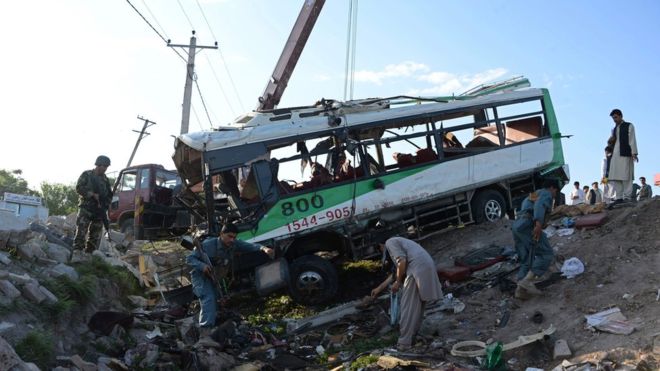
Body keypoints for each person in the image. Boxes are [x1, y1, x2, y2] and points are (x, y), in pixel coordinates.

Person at [186, 223, 274, 339]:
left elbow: (248, 246)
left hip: (215, 277)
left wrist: (263, 248)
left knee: (218, 301)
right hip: (200, 277)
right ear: (221, 234)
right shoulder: (208, 245)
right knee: (209, 298)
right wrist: (202, 266)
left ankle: (212, 327)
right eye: (229, 236)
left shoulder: (233, 244)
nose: (232, 240)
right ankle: (205, 333)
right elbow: (189, 258)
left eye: (234, 237)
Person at [370, 236, 443, 351]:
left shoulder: (389, 242)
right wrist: (379, 289)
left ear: (381, 246)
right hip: (424, 266)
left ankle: (404, 343)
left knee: (407, 307)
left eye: (380, 250)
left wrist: (398, 282)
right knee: (417, 307)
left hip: (416, 270)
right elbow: (395, 273)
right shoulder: (401, 242)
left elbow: (402, 262)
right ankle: (413, 336)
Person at [511, 179, 560, 299]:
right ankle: (527, 281)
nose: (554, 195)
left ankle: (520, 291)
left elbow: (527, 206)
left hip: (517, 226)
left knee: (527, 258)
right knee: (546, 253)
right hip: (528, 225)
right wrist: (538, 224)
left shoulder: (533, 194)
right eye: (556, 191)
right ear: (552, 188)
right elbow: (539, 205)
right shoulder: (546, 193)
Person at [73, 155, 112, 253]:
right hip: (86, 209)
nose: (106, 168)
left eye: (107, 166)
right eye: (104, 166)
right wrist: (92, 194)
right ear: (98, 165)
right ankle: (77, 254)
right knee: (81, 233)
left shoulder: (105, 180)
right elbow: (78, 188)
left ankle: (90, 256)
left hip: (99, 211)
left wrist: (105, 205)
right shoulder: (87, 175)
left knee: (95, 237)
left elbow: (109, 195)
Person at [607, 109, 638, 204]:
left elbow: (632, 139)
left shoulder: (629, 125)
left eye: (615, 117)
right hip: (615, 155)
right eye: (613, 118)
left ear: (621, 116)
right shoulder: (615, 128)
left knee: (626, 176)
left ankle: (627, 197)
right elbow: (611, 141)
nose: (614, 120)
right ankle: (619, 197)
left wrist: (634, 153)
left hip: (625, 153)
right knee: (616, 175)